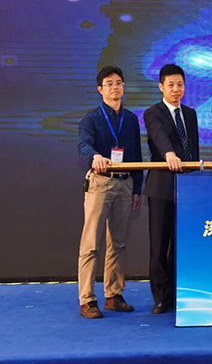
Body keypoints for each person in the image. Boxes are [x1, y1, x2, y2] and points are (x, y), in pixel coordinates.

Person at [77, 66, 142, 319]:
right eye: (109, 83)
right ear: (100, 89)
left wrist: (137, 189)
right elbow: (84, 145)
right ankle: (87, 299)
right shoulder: (91, 119)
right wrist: (95, 156)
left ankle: (114, 295)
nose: (115, 87)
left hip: (125, 184)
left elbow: (136, 155)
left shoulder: (131, 119)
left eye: (119, 83)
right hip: (100, 183)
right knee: (91, 243)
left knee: (118, 243)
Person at [143, 64, 199, 314]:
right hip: (161, 187)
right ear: (161, 87)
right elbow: (159, 137)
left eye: (180, 85)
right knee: (159, 245)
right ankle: (160, 297)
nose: (176, 89)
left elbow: (193, 149)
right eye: (171, 85)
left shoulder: (191, 113)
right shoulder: (153, 113)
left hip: (188, 187)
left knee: (181, 244)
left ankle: (177, 293)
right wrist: (169, 154)